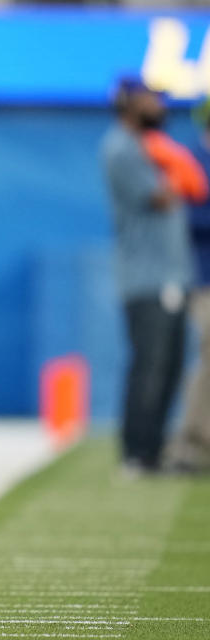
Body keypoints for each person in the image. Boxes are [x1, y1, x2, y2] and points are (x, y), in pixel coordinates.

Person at [101, 77, 195, 474]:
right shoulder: (121, 148)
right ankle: (136, 453)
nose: (158, 107)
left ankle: (153, 451)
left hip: (172, 274)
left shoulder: (146, 147)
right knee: (149, 367)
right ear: (129, 104)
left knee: (170, 367)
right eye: (150, 100)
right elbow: (161, 196)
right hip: (147, 277)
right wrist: (180, 170)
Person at [164, 104, 210, 473]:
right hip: (203, 277)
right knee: (204, 359)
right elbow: (188, 217)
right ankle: (187, 441)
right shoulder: (190, 160)